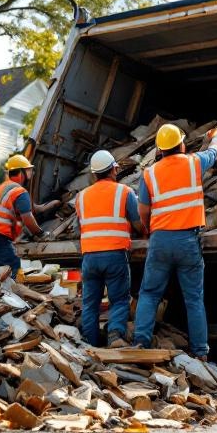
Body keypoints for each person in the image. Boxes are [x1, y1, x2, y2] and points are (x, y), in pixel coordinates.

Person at [133, 124, 217, 360]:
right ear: (182, 145)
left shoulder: (149, 173)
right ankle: (200, 352)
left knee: (150, 293)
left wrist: (149, 228)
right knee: (193, 298)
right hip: (187, 240)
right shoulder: (193, 162)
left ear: (160, 150)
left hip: (160, 240)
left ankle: (141, 344)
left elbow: (143, 210)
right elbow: (215, 152)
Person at [76, 149, 145, 348]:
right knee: (120, 299)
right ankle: (115, 337)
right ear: (114, 170)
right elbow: (138, 223)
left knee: (90, 303)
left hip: (89, 257)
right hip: (114, 254)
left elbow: (82, 225)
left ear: (93, 173)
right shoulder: (124, 192)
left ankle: (89, 344)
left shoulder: (81, 197)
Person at [0, 154, 60, 279]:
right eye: (29, 171)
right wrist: (40, 233)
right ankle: (11, 297)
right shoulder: (20, 191)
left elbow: (34, 209)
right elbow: (28, 218)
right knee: (13, 270)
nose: (32, 174)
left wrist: (53, 204)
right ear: (21, 173)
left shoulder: (3, 188)